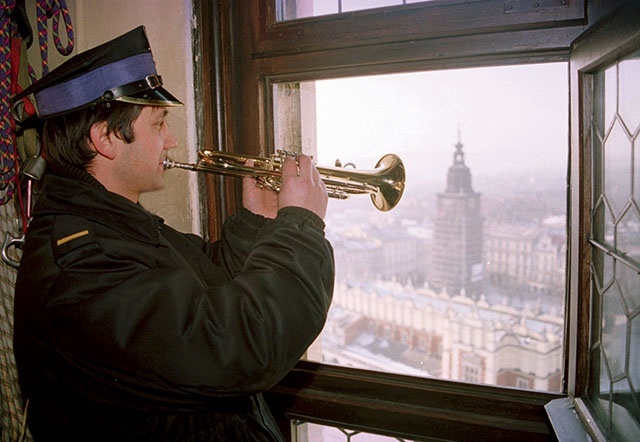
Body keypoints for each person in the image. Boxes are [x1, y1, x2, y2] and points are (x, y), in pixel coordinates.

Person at [12, 26, 334, 441]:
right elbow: (235, 346)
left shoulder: (112, 226)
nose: (171, 141)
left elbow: (207, 286)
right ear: (106, 138)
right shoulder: (83, 267)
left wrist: (257, 220)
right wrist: (302, 226)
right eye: (159, 124)